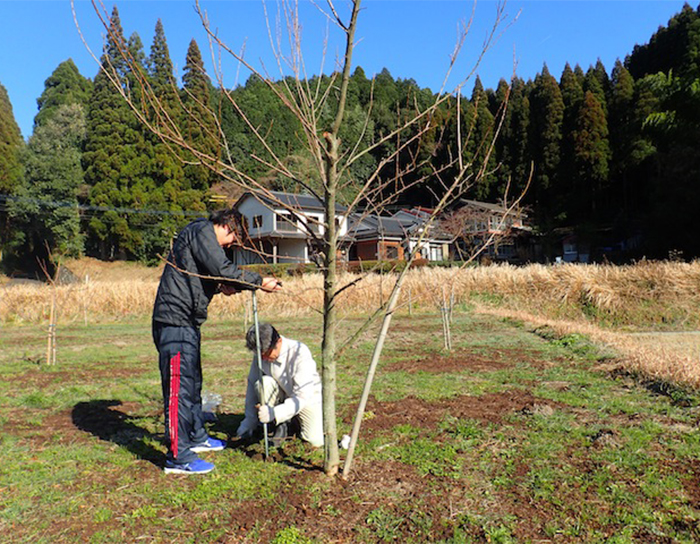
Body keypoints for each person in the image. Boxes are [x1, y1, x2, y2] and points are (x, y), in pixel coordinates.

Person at [152, 208, 281, 475]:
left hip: (187, 322)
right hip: (174, 322)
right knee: (178, 390)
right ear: (227, 225)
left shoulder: (199, 238)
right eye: (234, 237)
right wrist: (258, 282)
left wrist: (220, 286)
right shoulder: (202, 231)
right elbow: (221, 268)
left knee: (192, 383)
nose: (233, 243)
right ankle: (178, 457)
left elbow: (205, 275)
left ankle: (197, 437)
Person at [236, 323, 323, 448]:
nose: (264, 358)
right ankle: (275, 426)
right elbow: (252, 385)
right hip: (281, 394)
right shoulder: (261, 356)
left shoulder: (299, 353)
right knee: (263, 383)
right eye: (260, 355)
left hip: (306, 399)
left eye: (267, 353)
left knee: (315, 441)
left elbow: (302, 397)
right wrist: (249, 421)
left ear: (279, 342)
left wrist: (275, 413)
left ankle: (289, 421)